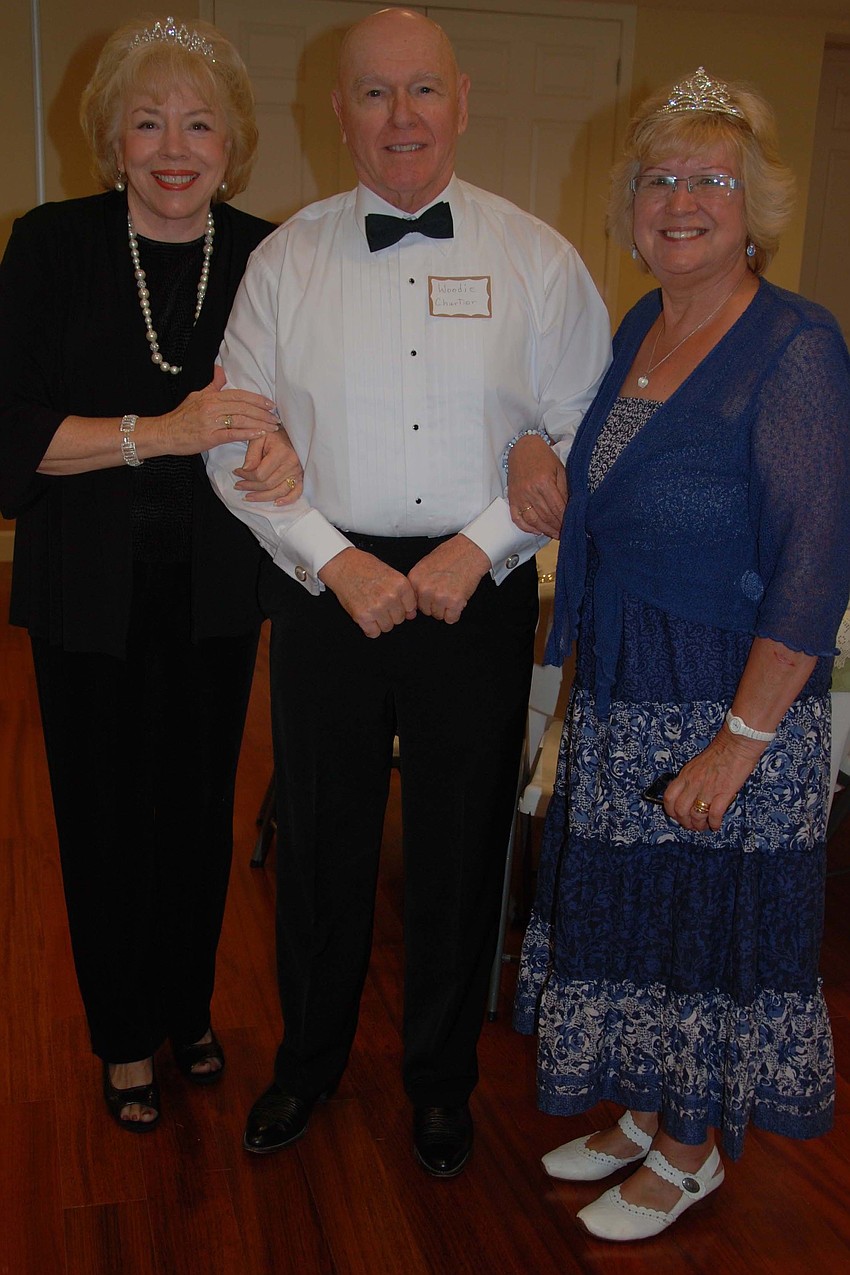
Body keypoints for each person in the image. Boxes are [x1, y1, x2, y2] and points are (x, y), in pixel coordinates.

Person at [205, 6, 610, 1176]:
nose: (400, 118)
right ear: (337, 112)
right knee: (326, 839)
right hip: (323, 584)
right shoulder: (283, 259)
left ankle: (440, 1081)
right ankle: (308, 1066)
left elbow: (586, 432)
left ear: (463, 101)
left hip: (472, 593)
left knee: (459, 842)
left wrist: (475, 545)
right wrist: (333, 559)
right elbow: (235, 438)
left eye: (421, 91)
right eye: (373, 95)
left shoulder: (537, 257)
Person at [513, 66, 850, 1240]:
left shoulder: (797, 347)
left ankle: (694, 1146)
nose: (682, 198)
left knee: (698, 926)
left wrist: (739, 744)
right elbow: (593, 466)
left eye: (713, 178)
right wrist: (525, 446)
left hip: (725, 701)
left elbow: (816, 562)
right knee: (632, 910)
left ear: (756, 206)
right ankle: (654, 1108)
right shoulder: (639, 322)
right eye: (660, 178)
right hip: (626, 682)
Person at [0, 15, 302, 1132]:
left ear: (234, 141)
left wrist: (285, 450)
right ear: (111, 140)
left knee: (195, 816)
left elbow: (302, 410)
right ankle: (122, 1033)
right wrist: (154, 434)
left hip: (217, 594)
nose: (174, 147)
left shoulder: (272, 251)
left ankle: (186, 1007)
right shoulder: (52, 243)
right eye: (147, 123)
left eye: (199, 123)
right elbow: (10, 434)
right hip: (85, 594)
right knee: (100, 817)